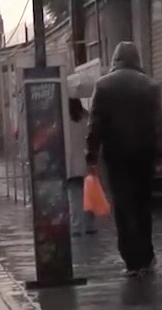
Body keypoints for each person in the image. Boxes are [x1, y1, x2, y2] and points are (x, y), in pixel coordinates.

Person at [85, 41, 162, 277]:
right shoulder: (150, 86)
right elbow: (159, 123)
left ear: (115, 59)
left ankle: (131, 260)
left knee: (122, 207)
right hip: (144, 155)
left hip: (116, 156)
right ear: (136, 59)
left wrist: (91, 156)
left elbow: (95, 125)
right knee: (143, 205)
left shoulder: (103, 86)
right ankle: (146, 256)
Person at [66, 98, 96, 236]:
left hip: (70, 165)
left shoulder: (65, 123)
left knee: (75, 198)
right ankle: (90, 225)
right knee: (89, 195)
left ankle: (76, 226)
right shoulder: (85, 121)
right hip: (84, 163)